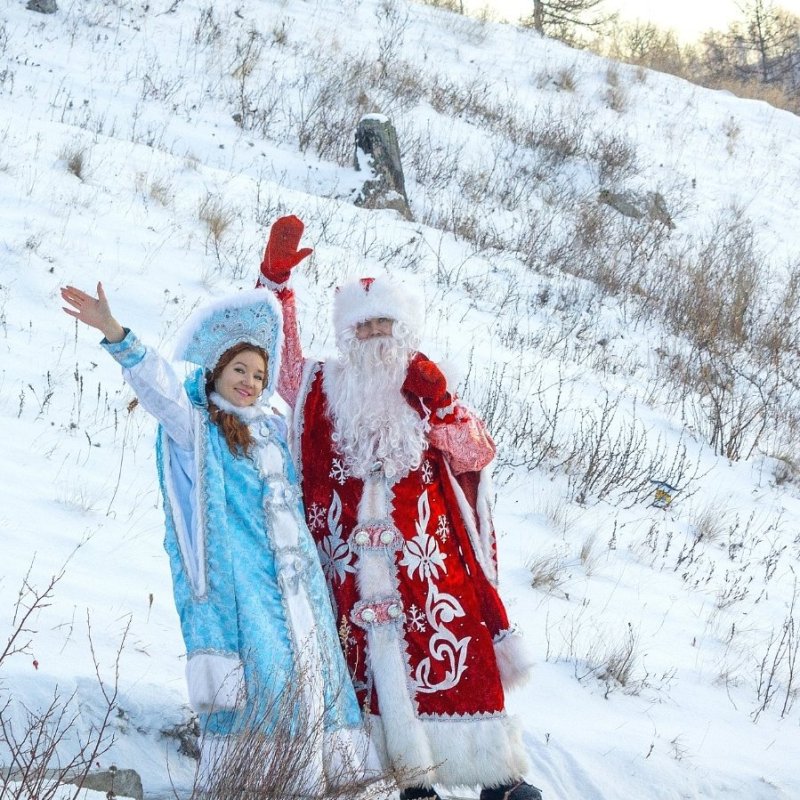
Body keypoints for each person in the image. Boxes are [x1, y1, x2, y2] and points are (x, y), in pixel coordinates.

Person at [254, 215, 543, 800]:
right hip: (348, 566)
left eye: (386, 323)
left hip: (428, 558)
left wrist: (440, 403)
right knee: (370, 675)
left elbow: (476, 452)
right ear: (346, 336)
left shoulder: (430, 383)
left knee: (457, 651)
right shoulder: (319, 385)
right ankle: (407, 779)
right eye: (364, 327)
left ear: (404, 328)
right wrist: (276, 284)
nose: (376, 335)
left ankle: (497, 776)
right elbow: (275, 364)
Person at [60, 282, 369, 791]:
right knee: (266, 686)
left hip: (301, 595)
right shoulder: (198, 428)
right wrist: (116, 334)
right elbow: (159, 387)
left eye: (258, 374)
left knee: (318, 688)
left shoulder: (273, 433)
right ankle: (252, 786)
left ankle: (318, 787)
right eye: (239, 370)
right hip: (244, 591)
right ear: (218, 372)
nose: (249, 382)